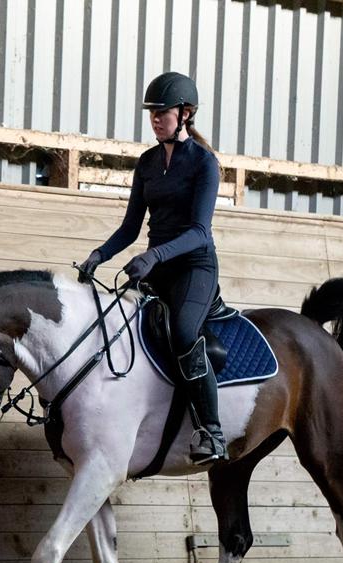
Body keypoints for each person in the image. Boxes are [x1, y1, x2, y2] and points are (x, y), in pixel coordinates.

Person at [78, 71, 227, 464]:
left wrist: (155, 255)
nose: (156, 118)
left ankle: (212, 432)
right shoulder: (146, 164)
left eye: (163, 112)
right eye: (152, 112)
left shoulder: (204, 164)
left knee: (181, 333)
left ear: (186, 113)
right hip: (155, 266)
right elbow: (131, 227)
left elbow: (199, 231)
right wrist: (100, 254)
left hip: (193, 266)